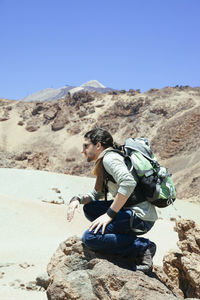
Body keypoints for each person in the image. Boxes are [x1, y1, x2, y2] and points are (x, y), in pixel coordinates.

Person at [67, 128, 158, 273]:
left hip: (140, 217)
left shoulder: (110, 159)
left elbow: (128, 182)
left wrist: (109, 215)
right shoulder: (105, 160)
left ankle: (143, 247)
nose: (82, 151)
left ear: (98, 145)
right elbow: (96, 194)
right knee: (89, 209)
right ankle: (122, 239)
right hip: (129, 210)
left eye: (86, 146)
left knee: (90, 237)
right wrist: (77, 199)